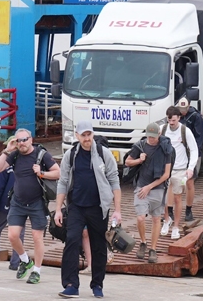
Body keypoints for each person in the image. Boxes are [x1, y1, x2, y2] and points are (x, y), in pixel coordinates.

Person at [55, 120, 122, 299]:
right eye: (83, 135)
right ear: (77, 136)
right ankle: (71, 285)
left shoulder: (103, 154)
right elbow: (62, 182)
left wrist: (117, 210)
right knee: (71, 240)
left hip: (98, 207)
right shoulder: (70, 155)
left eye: (89, 135)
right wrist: (58, 210)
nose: (87, 138)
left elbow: (115, 181)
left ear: (93, 134)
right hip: (76, 206)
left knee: (99, 245)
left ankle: (97, 284)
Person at [0, 128, 59, 284]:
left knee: (37, 238)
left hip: (37, 202)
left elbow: (58, 173)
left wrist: (42, 173)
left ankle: (36, 271)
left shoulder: (41, 154)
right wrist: (6, 151)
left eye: (24, 139)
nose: (21, 143)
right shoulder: (14, 155)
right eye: (18, 140)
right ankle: (24, 259)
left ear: (31, 139)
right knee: (12, 235)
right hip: (18, 202)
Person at [125, 122, 172, 263]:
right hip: (141, 187)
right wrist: (140, 160)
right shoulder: (140, 146)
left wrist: (149, 187)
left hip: (157, 187)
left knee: (156, 219)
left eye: (153, 137)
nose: (151, 140)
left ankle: (153, 248)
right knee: (140, 218)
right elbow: (127, 162)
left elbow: (166, 174)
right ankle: (143, 242)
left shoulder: (166, 148)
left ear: (159, 134)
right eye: (148, 137)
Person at [159, 106, 198, 241]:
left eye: (174, 121)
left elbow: (194, 150)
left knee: (177, 198)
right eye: (169, 121)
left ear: (179, 118)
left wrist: (191, 168)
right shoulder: (163, 129)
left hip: (180, 169)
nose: (171, 123)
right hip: (165, 169)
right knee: (163, 197)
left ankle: (176, 226)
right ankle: (166, 220)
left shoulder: (185, 131)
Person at [178, 99, 203, 222]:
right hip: (178, 153)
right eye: (180, 110)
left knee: (189, 182)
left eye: (184, 110)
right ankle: (171, 210)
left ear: (188, 107)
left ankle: (189, 210)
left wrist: (195, 154)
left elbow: (199, 136)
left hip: (190, 151)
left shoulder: (195, 116)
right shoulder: (175, 116)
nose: (182, 112)